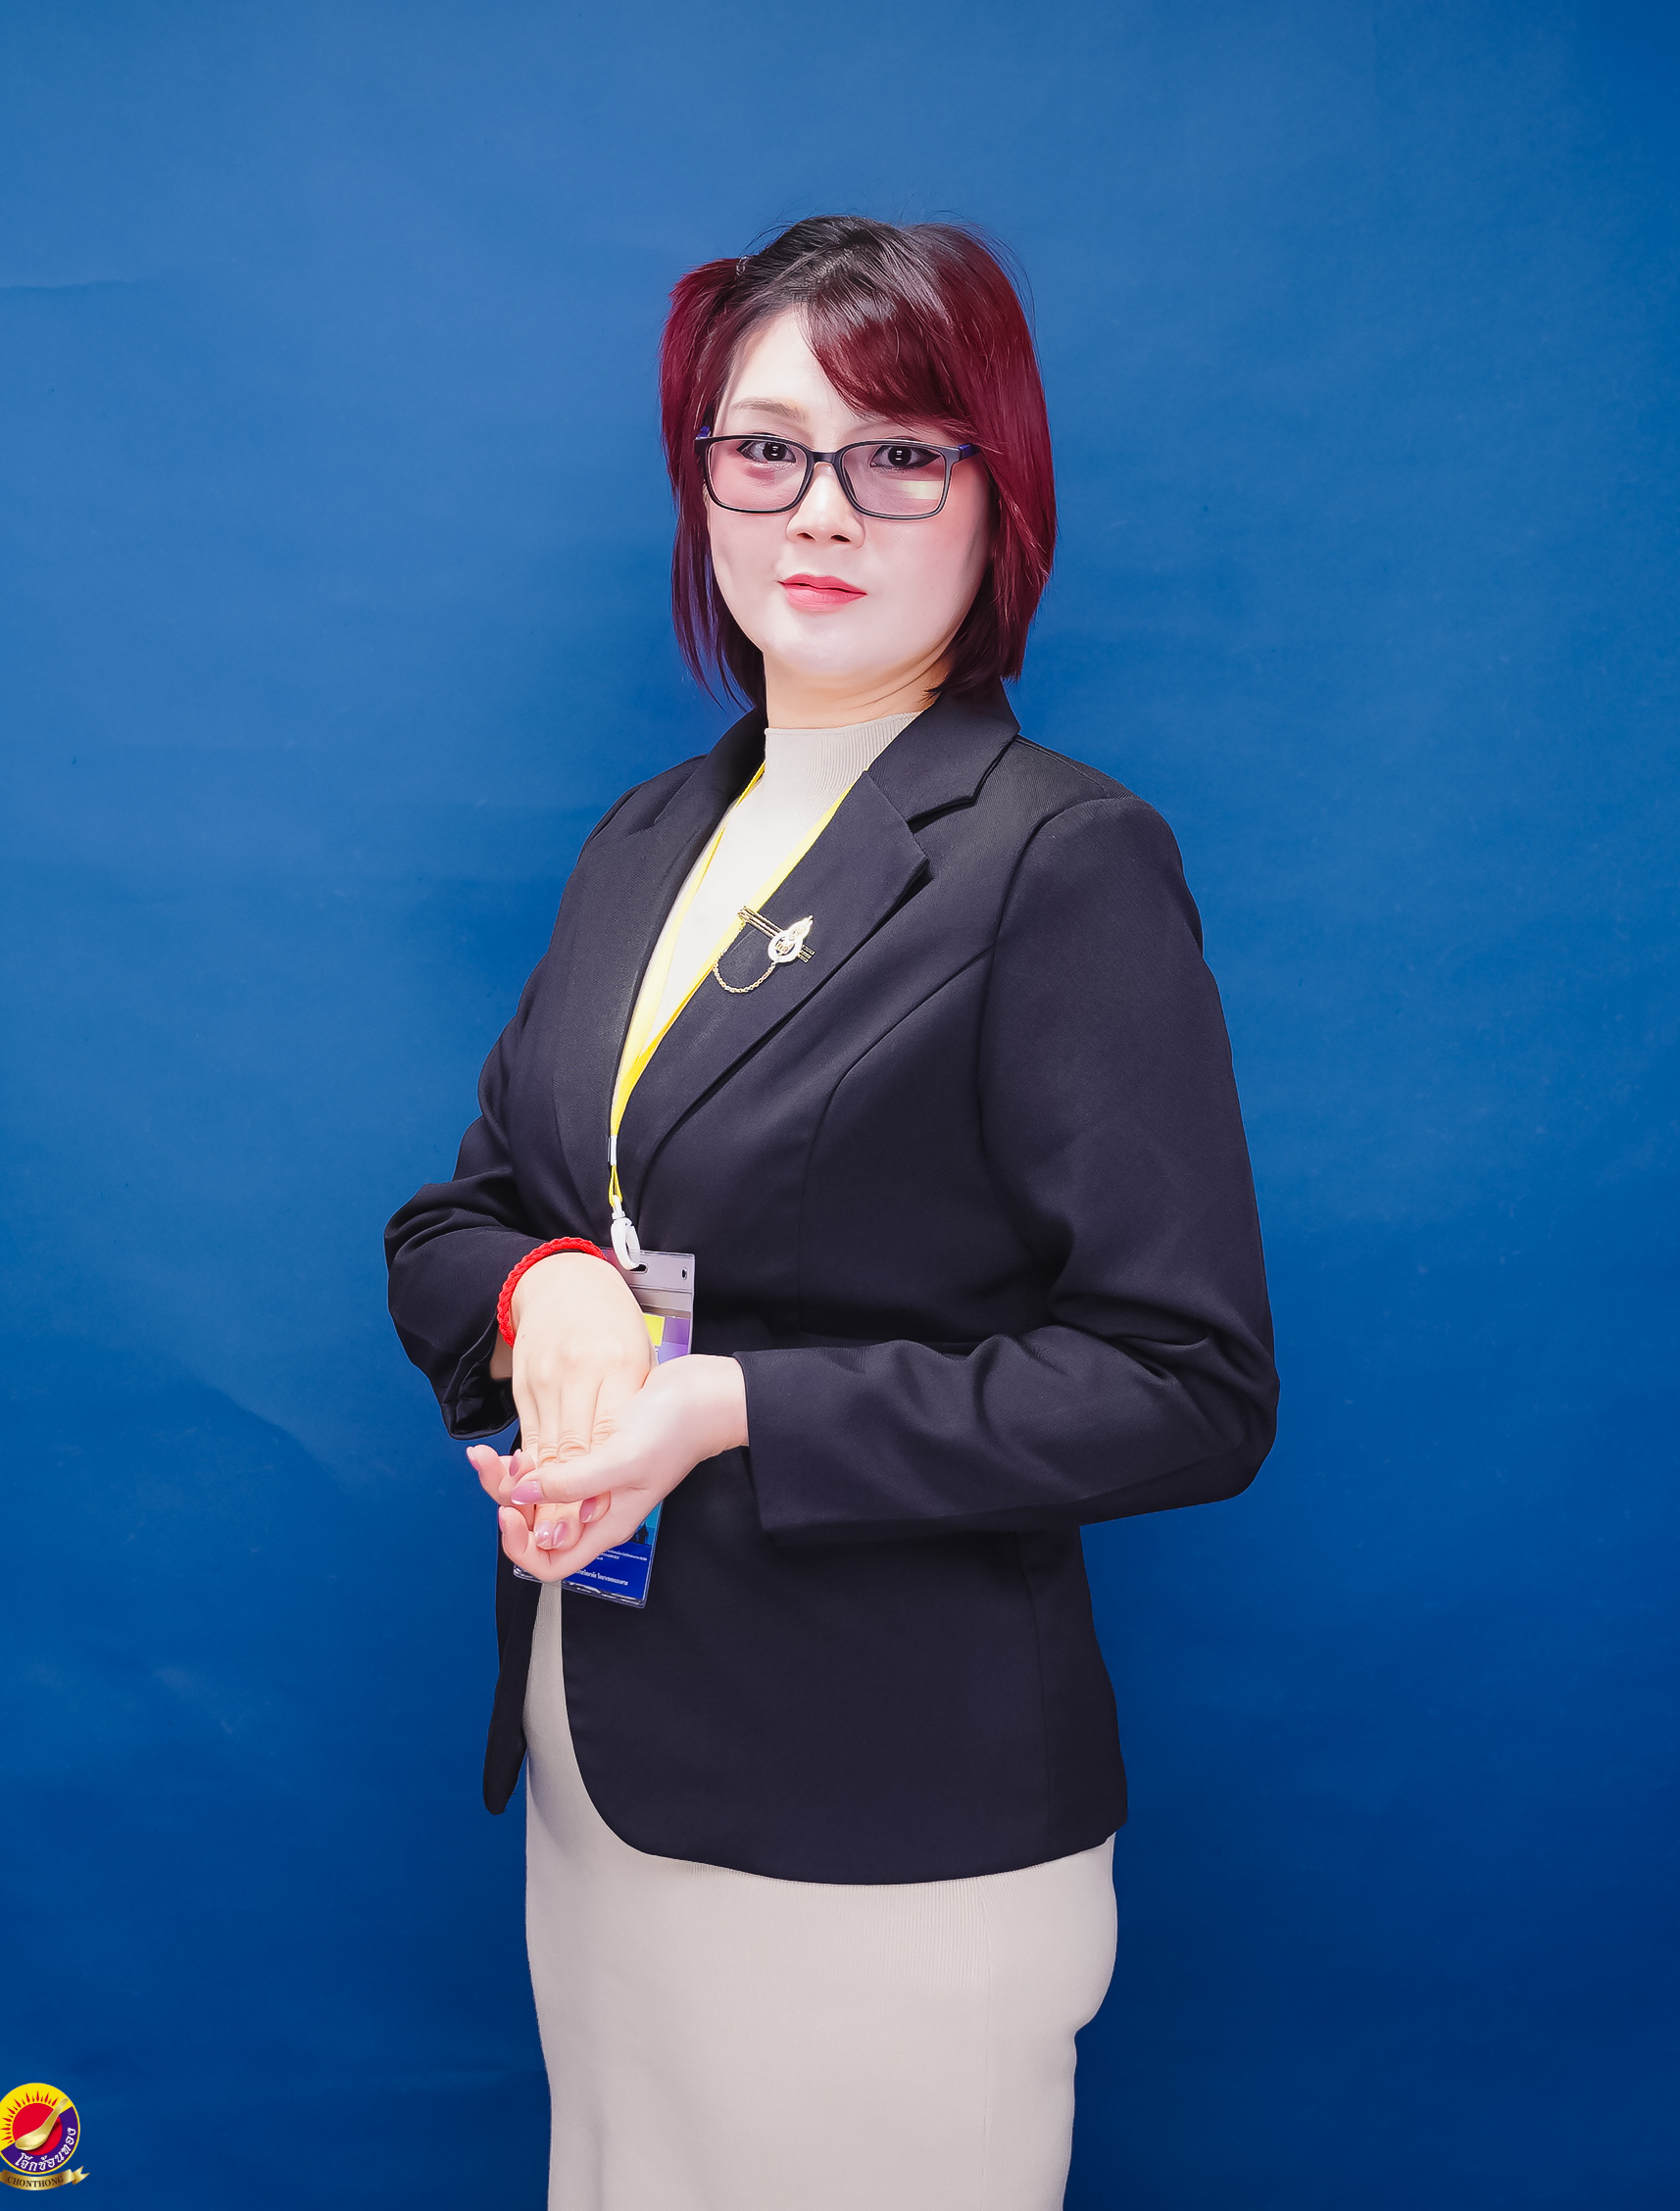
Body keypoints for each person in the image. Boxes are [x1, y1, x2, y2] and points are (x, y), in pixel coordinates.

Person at [382, 217, 1276, 2211]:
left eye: (900, 453)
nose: (821, 507)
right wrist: (548, 1291)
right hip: (605, 1766)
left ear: (998, 489)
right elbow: (460, 1217)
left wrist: (731, 1411)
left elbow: (1188, 1384)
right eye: (765, 446)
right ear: (699, 477)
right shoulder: (647, 837)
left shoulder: (1058, 859)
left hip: (887, 1818)